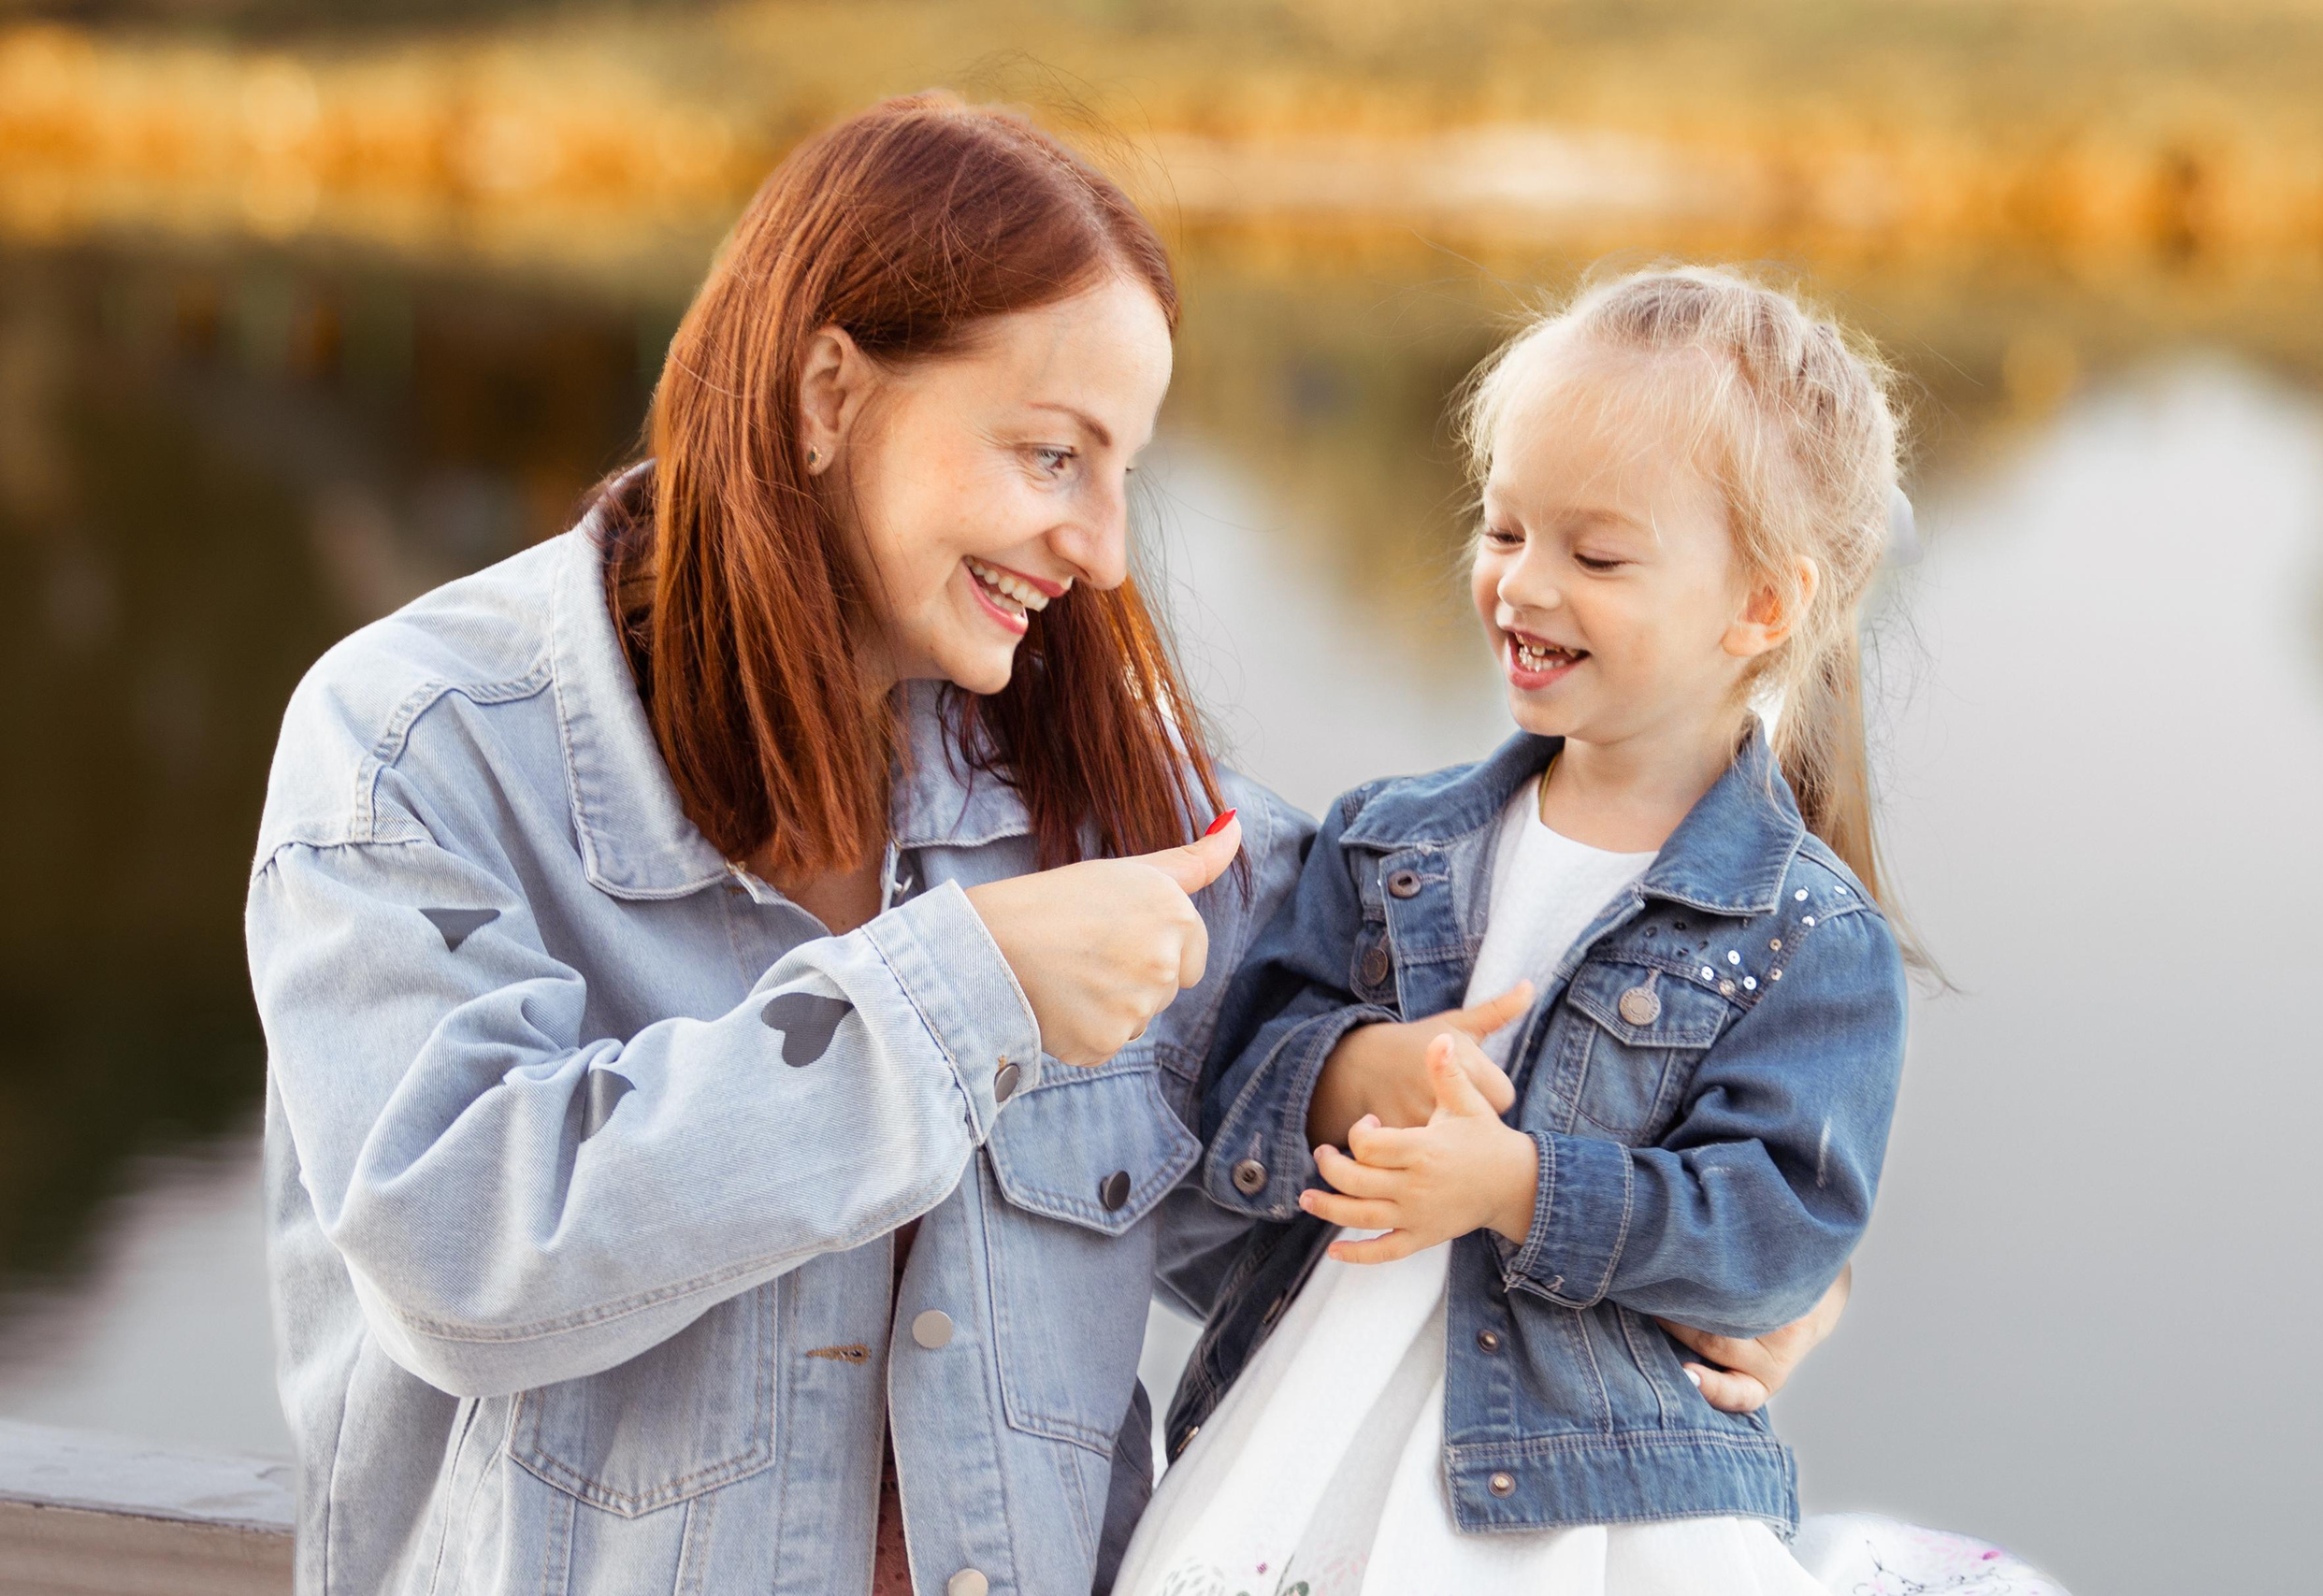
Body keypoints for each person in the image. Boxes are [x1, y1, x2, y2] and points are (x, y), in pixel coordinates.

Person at [247, 95, 1846, 1596]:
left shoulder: (1119, 784)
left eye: (1123, 471)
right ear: (826, 397)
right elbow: (456, 1246)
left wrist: (1710, 1267)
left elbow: (1342, 1191)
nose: (1099, 549)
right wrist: (965, 996)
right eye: (1050, 455)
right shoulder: (419, 747)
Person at [1118, 267, 2069, 1596]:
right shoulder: (1390, 841)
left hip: (1592, 1507)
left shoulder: (1802, 932)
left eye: (1597, 553)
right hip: (1306, 1429)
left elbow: (1777, 1236)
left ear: (1761, 608)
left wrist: (1515, 1187)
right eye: (1504, 529)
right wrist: (1346, 1078)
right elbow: (1226, 1094)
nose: (1524, 583)